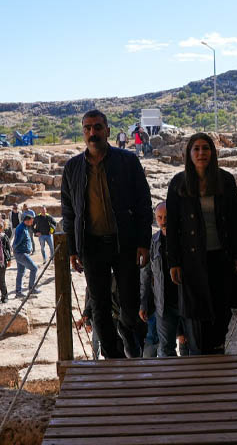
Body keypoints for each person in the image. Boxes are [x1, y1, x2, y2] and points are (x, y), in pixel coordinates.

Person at [61, 109, 152, 359]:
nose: (93, 132)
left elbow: (144, 203)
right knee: (99, 308)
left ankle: (134, 340)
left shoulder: (128, 161)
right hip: (92, 246)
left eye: (98, 127)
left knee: (130, 307)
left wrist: (144, 242)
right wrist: (72, 249)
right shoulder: (72, 169)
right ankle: (115, 359)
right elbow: (69, 213)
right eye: (88, 128)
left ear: (108, 131)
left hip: (125, 243)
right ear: (83, 133)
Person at [166, 132, 237, 355]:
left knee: (221, 312)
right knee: (197, 314)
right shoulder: (178, 184)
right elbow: (172, 228)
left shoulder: (226, 181)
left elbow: (235, 221)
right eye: (197, 149)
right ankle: (201, 359)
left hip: (221, 256)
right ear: (189, 154)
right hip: (192, 260)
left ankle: (216, 355)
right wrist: (173, 262)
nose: (201, 153)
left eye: (206, 148)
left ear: (212, 152)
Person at [140, 201, 188, 357]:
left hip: (187, 301)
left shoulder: (186, 239)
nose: (163, 221)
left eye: (166, 217)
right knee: (166, 349)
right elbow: (146, 275)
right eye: (160, 218)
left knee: (190, 346)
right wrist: (143, 303)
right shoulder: (153, 242)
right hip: (164, 304)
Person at [12, 210, 39, 297]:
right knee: (34, 268)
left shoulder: (24, 227)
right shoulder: (21, 229)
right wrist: (15, 251)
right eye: (32, 220)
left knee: (20, 272)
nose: (33, 221)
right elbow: (16, 242)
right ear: (27, 220)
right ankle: (31, 289)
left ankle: (18, 292)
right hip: (21, 253)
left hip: (20, 253)